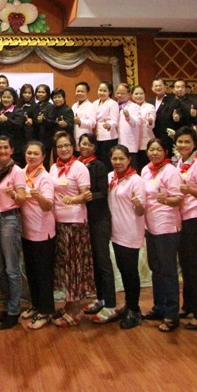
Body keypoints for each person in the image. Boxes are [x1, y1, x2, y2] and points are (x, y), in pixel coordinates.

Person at [50, 131, 93, 327]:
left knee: (74, 267)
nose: (64, 149)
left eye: (67, 145)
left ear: (72, 146)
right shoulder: (54, 168)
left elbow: (87, 195)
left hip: (75, 223)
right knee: (65, 266)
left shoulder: (79, 167)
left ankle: (75, 309)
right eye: (60, 146)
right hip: (58, 222)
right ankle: (69, 304)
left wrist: (73, 199)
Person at [141, 137, 183, 332]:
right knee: (155, 268)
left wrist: (165, 200)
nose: (155, 153)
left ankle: (171, 314)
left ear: (166, 152)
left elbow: (178, 199)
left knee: (168, 270)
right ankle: (159, 307)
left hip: (166, 226)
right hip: (150, 226)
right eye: (152, 149)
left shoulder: (171, 171)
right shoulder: (146, 170)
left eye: (158, 149)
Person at [173, 126, 197, 330]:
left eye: (187, 141)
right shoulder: (179, 163)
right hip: (182, 218)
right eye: (180, 141)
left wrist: (190, 190)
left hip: (196, 218)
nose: (183, 145)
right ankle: (188, 305)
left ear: (195, 144)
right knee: (186, 266)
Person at [0, 135, 27, 330]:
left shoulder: (17, 171)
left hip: (10, 219)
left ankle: (14, 311)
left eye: (6, 147)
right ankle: (7, 305)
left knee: (12, 268)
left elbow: (22, 199)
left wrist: (14, 194)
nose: (2, 151)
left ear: (12, 150)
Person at [78, 133, 116, 324]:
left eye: (89, 144)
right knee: (94, 261)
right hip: (84, 219)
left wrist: (89, 196)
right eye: (82, 143)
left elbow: (103, 192)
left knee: (103, 262)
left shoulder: (99, 165)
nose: (85, 147)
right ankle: (100, 299)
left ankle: (110, 305)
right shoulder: (77, 165)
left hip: (99, 219)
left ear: (94, 147)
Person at [107, 145, 145, 329]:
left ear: (129, 159)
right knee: (123, 270)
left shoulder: (136, 180)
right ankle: (129, 305)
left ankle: (135, 310)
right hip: (116, 232)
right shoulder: (110, 177)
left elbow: (141, 211)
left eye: (121, 158)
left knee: (130, 272)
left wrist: (138, 204)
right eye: (114, 158)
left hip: (130, 231)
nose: (118, 162)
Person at [20, 141, 56, 330]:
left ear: (43, 157)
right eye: (29, 153)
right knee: (32, 272)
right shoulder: (22, 173)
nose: (32, 156)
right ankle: (36, 305)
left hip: (43, 232)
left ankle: (46, 311)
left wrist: (38, 196)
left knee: (43, 274)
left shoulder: (45, 178)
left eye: (36, 153)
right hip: (26, 230)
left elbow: (48, 205)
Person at [119, 85, 155, 170]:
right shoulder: (127, 106)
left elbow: (151, 119)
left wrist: (150, 121)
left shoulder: (149, 107)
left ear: (145, 94)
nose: (139, 96)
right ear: (131, 95)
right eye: (136, 94)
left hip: (145, 142)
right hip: (132, 142)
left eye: (141, 93)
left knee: (145, 167)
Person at [0, 87, 27, 160]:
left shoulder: (18, 111)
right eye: (4, 97)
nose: (6, 99)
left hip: (15, 149)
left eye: (9, 97)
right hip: (0, 148)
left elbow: (18, 126)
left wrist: (7, 120)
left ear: (13, 99)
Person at [94, 81, 119, 165]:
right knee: (99, 159)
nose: (101, 93)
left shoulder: (113, 103)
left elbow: (115, 121)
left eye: (104, 91)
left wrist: (109, 125)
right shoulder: (95, 103)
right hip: (98, 134)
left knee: (107, 160)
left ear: (110, 92)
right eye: (100, 90)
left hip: (109, 136)